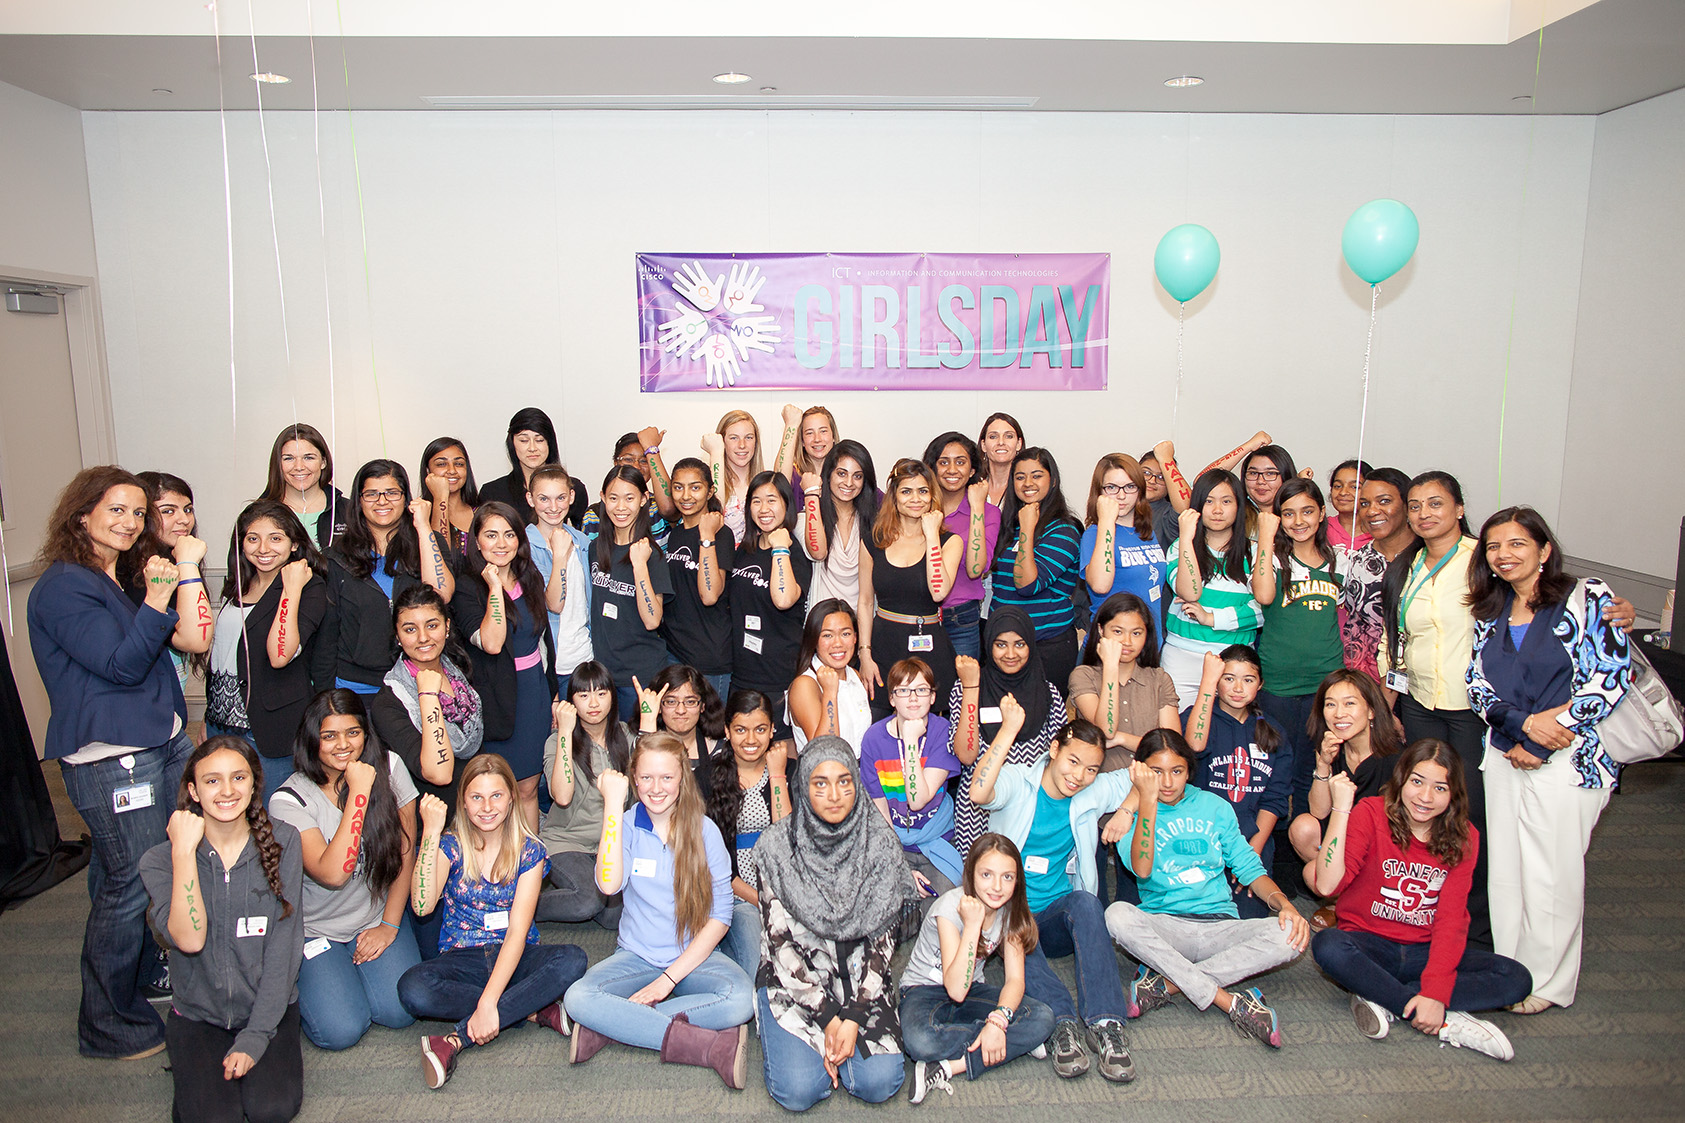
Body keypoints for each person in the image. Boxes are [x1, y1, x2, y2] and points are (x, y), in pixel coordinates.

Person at [29, 466, 197, 1059]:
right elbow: (122, 665)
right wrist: (156, 598)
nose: (130, 522)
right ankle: (106, 1025)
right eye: (116, 510)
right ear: (83, 515)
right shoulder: (63, 586)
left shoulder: (111, 574)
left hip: (159, 742)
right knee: (131, 881)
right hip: (114, 758)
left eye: (137, 513)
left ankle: (144, 975)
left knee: (135, 870)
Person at [1466, 507, 1631, 1014]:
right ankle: (1512, 970)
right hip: (1504, 753)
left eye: (1517, 543)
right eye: (1494, 546)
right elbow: (1476, 685)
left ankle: (1548, 983)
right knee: (1508, 870)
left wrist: (1541, 738)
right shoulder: (1491, 609)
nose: (1504, 555)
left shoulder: (1588, 599)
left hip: (1572, 758)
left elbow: (1610, 678)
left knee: (1551, 873)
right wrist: (1523, 727)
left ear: (1544, 549)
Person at [1311, 739, 1529, 1061]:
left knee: (1517, 979)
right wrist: (1342, 809)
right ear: (1401, 780)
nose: (1425, 797)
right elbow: (1327, 885)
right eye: (1417, 782)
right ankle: (1439, 1018)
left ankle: (1385, 995)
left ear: (1454, 794)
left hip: (1423, 952)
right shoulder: (1370, 812)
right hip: (1369, 945)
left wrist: (1436, 992)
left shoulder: (1464, 836)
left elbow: (1452, 919)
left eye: (1440, 788)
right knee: (1328, 945)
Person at [563, 734, 755, 1089]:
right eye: (646, 777)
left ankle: (613, 1026)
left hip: (693, 957)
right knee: (578, 998)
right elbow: (608, 885)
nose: (656, 788)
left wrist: (667, 981)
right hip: (636, 956)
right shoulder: (625, 824)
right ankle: (708, 1047)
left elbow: (720, 916)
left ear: (682, 778)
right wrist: (612, 806)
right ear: (634, 780)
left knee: (741, 1000)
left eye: (666, 777)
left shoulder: (705, 830)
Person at [1105, 730, 1308, 1052]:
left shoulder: (1214, 807)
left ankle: (1168, 984)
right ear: (1141, 771)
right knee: (1116, 916)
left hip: (1219, 925)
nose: (1167, 782)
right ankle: (1230, 1002)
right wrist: (1146, 802)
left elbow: (1248, 866)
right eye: (1156, 772)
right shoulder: (1128, 816)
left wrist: (1285, 905)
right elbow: (1142, 869)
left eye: (1177, 771)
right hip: (1166, 927)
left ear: (1189, 771)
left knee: (1291, 934)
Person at [139, 737, 304, 1122]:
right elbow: (189, 939)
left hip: (267, 1008)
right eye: (212, 781)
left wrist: (256, 1035)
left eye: (238, 777)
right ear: (193, 791)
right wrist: (183, 852)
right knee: (216, 1118)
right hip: (198, 1015)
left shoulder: (284, 842)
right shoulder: (159, 860)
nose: (227, 790)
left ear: (254, 783)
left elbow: (284, 948)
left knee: (272, 1110)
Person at [398, 755, 587, 1090]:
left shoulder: (530, 851)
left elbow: (517, 933)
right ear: (463, 802)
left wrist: (487, 1004)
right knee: (413, 989)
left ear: (511, 798)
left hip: (515, 954)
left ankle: (455, 1040)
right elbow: (422, 906)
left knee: (573, 959)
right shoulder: (451, 845)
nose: (487, 807)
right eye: (477, 797)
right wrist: (430, 833)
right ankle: (529, 1008)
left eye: (496, 795)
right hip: (463, 956)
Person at [968, 710, 1137, 1082]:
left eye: (1091, 769)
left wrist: (1126, 809)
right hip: (1012, 916)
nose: (1079, 776)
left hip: (1055, 917)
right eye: (1073, 761)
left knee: (1088, 904)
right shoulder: (1019, 781)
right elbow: (978, 792)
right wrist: (1008, 730)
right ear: (1054, 749)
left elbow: (1150, 769)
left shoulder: (1092, 791)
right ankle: (1062, 1024)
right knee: (1014, 925)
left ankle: (1106, 1023)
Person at [752, 737, 912, 1111]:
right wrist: (828, 1020)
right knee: (798, 1091)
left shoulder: (880, 844)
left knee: (879, 1083)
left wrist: (852, 1018)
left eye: (844, 781)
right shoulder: (777, 848)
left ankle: (840, 1052)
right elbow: (780, 945)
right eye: (820, 783)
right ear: (804, 786)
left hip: (861, 983)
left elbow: (883, 944)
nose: (835, 795)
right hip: (797, 983)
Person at [270, 691, 421, 1050]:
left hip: (371, 916)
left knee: (401, 1009)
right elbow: (334, 873)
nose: (343, 745)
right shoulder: (288, 800)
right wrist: (359, 793)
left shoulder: (390, 766)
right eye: (329, 736)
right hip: (315, 929)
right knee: (342, 1030)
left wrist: (389, 925)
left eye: (353, 733)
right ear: (312, 739)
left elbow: (405, 852)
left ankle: (354, 975)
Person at [368, 585, 484, 958]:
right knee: (436, 955)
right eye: (410, 628)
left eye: (432, 625)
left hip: (469, 823)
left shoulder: (455, 670)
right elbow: (438, 772)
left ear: (447, 627)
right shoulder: (390, 700)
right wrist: (428, 695)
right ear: (397, 635)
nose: (422, 638)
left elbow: (472, 745)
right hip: (426, 835)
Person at [899, 834, 1056, 1103]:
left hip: (973, 989)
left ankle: (950, 1066)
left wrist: (998, 1022)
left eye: (1007, 877)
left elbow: (1015, 980)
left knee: (1043, 1017)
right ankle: (1015, 1042)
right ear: (971, 874)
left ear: (1017, 881)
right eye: (986, 875)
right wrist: (972, 925)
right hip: (923, 991)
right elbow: (955, 989)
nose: (997, 887)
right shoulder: (950, 907)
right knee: (920, 1042)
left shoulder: (1010, 911)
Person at [204, 500, 329, 801]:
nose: (263, 548)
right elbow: (222, 652)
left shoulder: (310, 588)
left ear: (294, 544)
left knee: (274, 813)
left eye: (275, 538)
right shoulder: (239, 583)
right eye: (253, 538)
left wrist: (291, 589)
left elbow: (280, 654)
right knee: (230, 809)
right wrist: (211, 717)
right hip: (221, 723)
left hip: (269, 730)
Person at [453, 502, 556, 834]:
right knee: (493, 792)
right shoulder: (467, 586)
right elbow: (492, 642)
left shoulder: (529, 576)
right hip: (496, 700)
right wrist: (495, 587)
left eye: (509, 535)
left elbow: (543, 640)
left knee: (528, 790)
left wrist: (552, 694)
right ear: (476, 541)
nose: (501, 543)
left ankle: (530, 860)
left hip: (534, 694)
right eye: (491, 535)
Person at [319, 460, 455, 699]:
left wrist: (423, 526)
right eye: (371, 494)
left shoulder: (428, 542)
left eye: (392, 493)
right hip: (356, 689)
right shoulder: (337, 558)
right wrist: (325, 694)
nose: (382, 501)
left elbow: (441, 594)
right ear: (359, 501)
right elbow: (327, 637)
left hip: (420, 683)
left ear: (406, 498)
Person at [1252, 479, 1346, 800]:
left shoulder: (1340, 561)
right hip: (1278, 684)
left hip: (1325, 684)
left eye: (1307, 511)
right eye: (1288, 513)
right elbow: (1264, 595)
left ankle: (1308, 828)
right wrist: (1266, 535)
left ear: (1322, 513)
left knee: (1314, 767)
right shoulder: (1274, 558)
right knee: (1277, 768)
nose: (1298, 521)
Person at [1181, 648, 1291, 918]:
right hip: (1199, 840)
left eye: (1248, 680)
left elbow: (1275, 799)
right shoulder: (1195, 719)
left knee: (1247, 924)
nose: (1238, 688)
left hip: (1251, 841)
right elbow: (1193, 747)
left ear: (1260, 684)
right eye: (1228, 678)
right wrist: (1207, 685)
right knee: (1195, 919)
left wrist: (1251, 856)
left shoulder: (1273, 730)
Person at [948, 608, 1068, 854]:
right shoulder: (966, 687)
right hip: (978, 811)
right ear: (988, 645)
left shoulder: (1049, 694)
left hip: (1031, 812)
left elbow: (1059, 762)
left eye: (1020, 644)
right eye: (1001, 644)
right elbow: (967, 756)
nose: (1011, 654)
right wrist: (972, 686)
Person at [861, 458, 963, 715]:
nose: (915, 499)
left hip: (929, 648)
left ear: (932, 496)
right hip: (883, 646)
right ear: (894, 497)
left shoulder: (950, 541)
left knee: (931, 730)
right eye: (906, 491)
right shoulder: (874, 540)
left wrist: (932, 535)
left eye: (923, 491)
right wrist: (864, 653)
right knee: (879, 723)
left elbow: (938, 591)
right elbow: (865, 601)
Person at [1287, 670, 1402, 897]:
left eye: (1350, 703)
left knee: (1314, 871)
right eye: (1330, 705)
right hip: (1345, 838)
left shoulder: (1396, 759)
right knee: (1303, 829)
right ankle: (1345, 899)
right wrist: (1323, 764)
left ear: (1371, 711)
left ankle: (1364, 899)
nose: (1339, 714)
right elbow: (1318, 812)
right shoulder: (1332, 748)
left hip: (1383, 849)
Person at [704, 690, 793, 979]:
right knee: (760, 966)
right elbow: (714, 866)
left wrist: (777, 775)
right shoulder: (707, 778)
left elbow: (785, 839)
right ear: (727, 731)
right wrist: (762, 901)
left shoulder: (789, 769)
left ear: (773, 730)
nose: (751, 739)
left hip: (785, 891)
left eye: (760, 729)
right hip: (737, 894)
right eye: (741, 730)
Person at [535, 661, 630, 926]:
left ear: (612, 696)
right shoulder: (557, 741)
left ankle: (587, 896)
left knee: (613, 918)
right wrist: (565, 731)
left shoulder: (625, 735)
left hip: (610, 844)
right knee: (588, 900)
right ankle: (527, 906)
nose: (593, 703)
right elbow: (562, 796)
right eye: (583, 695)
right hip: (567, 842)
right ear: (571, 702)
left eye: (601, 693)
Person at [859, 658, 964, 896]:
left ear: (933, 697)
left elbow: (917, 800)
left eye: (921, 690)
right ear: (892, 699)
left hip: (937, 838)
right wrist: (899, 865)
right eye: (904, 691)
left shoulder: (943, 731)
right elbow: (880, 810)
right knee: (890, 898)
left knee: (942, 903)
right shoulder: (873, 738)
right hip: (893, 841)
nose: (913, 698)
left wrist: (910, 741)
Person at [1162, 468, 1262, 705]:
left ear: (1239, 506)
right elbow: (1189, 592)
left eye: (1226, 501)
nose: (1217, 510)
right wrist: (1187, 539)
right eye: (1208, 501)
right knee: (1177, 726)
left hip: (1235, 662)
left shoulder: (1255, 551)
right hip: (1181, 657)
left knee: (1227, 727)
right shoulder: (1179, 546)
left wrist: (1211, 618)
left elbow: (1261, 610)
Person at [727, 471, 811, 748]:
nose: (764, 509)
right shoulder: (744, 550)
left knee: (780, 756)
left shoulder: (794, 554)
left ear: (787, 504)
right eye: (756, 501)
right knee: (742, 752)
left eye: (772, 500)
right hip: (741, 673)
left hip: (778, 677)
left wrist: (780, 548)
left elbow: (784, 599)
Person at [990, 448, 1084, 693]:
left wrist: (1027, 529)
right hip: (1003, 645)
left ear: (1052, 481)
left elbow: (1027, 584)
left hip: (1046, 645)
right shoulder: (1007, 526)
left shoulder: (1064, 530)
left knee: (1044, 714)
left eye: (1037, 475)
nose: (1027, 483)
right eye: (1020, 477)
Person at [588, 466, 674, 716]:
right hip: (603, 676)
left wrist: (639, 565)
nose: (621, 507)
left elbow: (652, 620)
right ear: (603, 498)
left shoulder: (651, 556)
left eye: (629, 498)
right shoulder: (595, 549)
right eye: (613, 498)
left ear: (643, 499)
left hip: (640, 676)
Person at [124, 471, 214, 696]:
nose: (184, 519)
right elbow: (195, 641)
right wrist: (187, 563)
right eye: (168, 511)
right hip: (143, 698)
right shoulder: (137, 572)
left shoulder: (169, 560)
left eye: (188, 509)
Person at [1066, 592, 1180, 768]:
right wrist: (1111, 666)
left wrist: (1123, 739)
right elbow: (1106, 730)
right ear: (1101, 630)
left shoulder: (1159, 679)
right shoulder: (1083, 676)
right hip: (1102, 780)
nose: (1127, 641)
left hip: (1151, 777)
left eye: (1136, 633)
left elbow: (1171, 748)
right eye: (1118, 631)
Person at [658, 457, 735, 699]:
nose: (686, 496)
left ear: (710, 491)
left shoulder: (721, 534)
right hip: (674, 654)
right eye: (678, 487)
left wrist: (706, 535)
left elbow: (709, 595)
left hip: (709, 658)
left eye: (695, 487)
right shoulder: (675, 534)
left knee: (710, 724)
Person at [922, 431, 999, 661]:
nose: (952, 469)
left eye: (960, 462)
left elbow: (976, 569)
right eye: (943, 462)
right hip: (920, 613)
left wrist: (976, 507)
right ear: (932, 468)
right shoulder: (919, 508)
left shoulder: (989, 513)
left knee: (963, 681)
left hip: (961, 619)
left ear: (972, 470)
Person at [1337, 467, 1414, 685]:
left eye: (1384, 501)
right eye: (1364, 504)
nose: (1372, 511)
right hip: (1369, 680)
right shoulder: (1357, 561)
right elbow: (1355, 625)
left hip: (1421, 683)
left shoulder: (1426, 559)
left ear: (1407, 505)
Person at [521, 464, 593, 695]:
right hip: (547, 665)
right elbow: (554, 604)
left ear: (571, 496)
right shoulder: (522, 546)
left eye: (560, 498)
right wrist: (559, 555)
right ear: (530, 499)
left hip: (585, 658)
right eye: (544, 499)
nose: (553, 507)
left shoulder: (583, 542)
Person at [799, 440, 879, 630]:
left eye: (857, 476)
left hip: (863, 628)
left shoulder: (874, 524)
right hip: (822, 628)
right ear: (828, 475)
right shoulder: (806, 518)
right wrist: (811, 493)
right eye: (841, 473)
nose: (849, 483)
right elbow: (818, 552)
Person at [1080, 454, 1168, 625]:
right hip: (1113, 636)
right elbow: (1100, 586)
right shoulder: (1094, 534)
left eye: (1130, 487)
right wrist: (1107, 521)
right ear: (1099, 491)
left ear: (1140, 490)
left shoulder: (1146, 532)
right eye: (1111, 487)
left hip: (1150, 635)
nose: (1121, 496)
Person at [787, 599, 874, 753]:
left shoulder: (854, 675)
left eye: (845, 634)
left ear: (855, 638)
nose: (838, 643)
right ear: (814, 640)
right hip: (826, 767)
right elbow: (824, 749)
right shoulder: (805, 685)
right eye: (827, 635)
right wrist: (829, 692)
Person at [477, 407, 586, 527]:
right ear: (512, 443)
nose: (532, 448)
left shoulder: (573, 488)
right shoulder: (492, 493)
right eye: (524, 440)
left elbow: (582, 533)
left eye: (539, 440)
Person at [638, 663, 728, 797]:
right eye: (671, 702)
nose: (681, 710)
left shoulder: (721, 750)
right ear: (659, 706)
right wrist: (647, 720)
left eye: (690, 702)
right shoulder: (640, 742)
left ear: (702, 706)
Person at [260, 422, 347, 552]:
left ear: (323, 462)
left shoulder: (349, 512)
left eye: (308, 457)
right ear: (278, 464)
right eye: (289, 458)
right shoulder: (257, 514)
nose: (299, 467)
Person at [582, 432, 676, 547]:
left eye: (644, 461)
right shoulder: (594, 516)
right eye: (628, 459)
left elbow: (668, 509)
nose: (636, 466)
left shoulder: (657, 508)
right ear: (616, 463)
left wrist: (651, 449)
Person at [701, 409, 763, 543]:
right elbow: (715, 513)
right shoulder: (706, 486)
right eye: (734, 438)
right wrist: (716, 453)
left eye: (748, 437)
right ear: (722, 442)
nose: (742, 445)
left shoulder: (765, 483)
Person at [419, 437, 480, 560]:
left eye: (459, 464)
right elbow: (439, 560)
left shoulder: (483, 514)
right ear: (428, 471)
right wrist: (440, 496)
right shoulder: (419, 515)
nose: (452, 470)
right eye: (442, 464)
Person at [773, 403, 839, 498]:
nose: (817, 439)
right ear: (802, 441)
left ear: (833, 436)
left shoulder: (843, 474)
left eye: (823, 431)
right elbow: (779, 483)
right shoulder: (794, 474)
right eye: (809, 433)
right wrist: (791, 425)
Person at [1139, 440, 1192, 553]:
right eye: (1146, 473)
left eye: (1161, 477)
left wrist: (1166, 459)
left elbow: (1185, 507)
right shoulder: (1119, 505)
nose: (1152, 481)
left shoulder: (1167, 514)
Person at [1238, 444, 1299, 541]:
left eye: (1270, 473)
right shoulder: (1235, 515)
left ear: (1285, 476)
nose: (1260, 481)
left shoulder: (1299, 518)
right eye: (1253, 473)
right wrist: (1249, 445)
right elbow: (1211, 481)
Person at [1325, 459, 1375, 575]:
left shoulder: (1378, 533)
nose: (1343, 492)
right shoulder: (1321, 528)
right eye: (1338, 486)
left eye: (1354, 487)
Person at [977, 412, 1024, 509]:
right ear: (983, 445)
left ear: (1019, 444)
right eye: (993, 437)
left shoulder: (1026, 488)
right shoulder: (973, 487)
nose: (1001, 442)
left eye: (1009, 436)